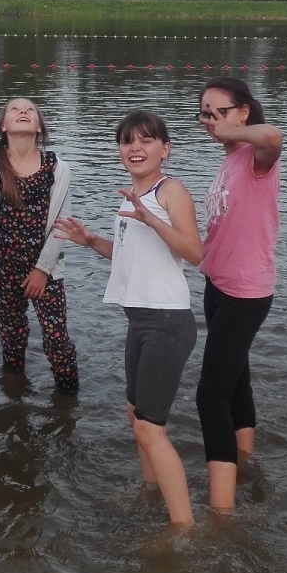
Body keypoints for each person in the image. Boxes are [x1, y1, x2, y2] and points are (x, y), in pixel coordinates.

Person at [54, 110, 202, 525]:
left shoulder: (170, 190)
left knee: (149, 428)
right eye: (127, 141)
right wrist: (90, 240)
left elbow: (195, 253)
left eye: (146, 140)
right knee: (136, 416)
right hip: (140, 322)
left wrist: (151, 218)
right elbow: (127, 256)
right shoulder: (129, 198)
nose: (135, 148)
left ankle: (184, 528)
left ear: (165, 149)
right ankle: (150, 490)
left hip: (167, 322)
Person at [194, 78, 283, 513]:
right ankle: (246, 463)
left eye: (220, 112)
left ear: (244, 112)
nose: (212, 121)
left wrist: (235, 131)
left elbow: (274, 136)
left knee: (209, 396)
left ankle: (222, 512)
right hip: (217, 285)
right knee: (235, 382)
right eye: (205, 114)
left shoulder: (255, 157)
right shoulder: (229, 160)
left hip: (245, 291)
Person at [0, 98, 79, 396]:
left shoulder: (58, 168)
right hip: (4, 267)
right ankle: (13, 398)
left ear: (39, 127)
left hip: (46, 270)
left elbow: (62, 225)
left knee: (57, 341)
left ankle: (68, 401)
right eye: (15, 109)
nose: (23, 111)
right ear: (3, 126)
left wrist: (42, 270)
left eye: (30, 109)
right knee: (11, 338)